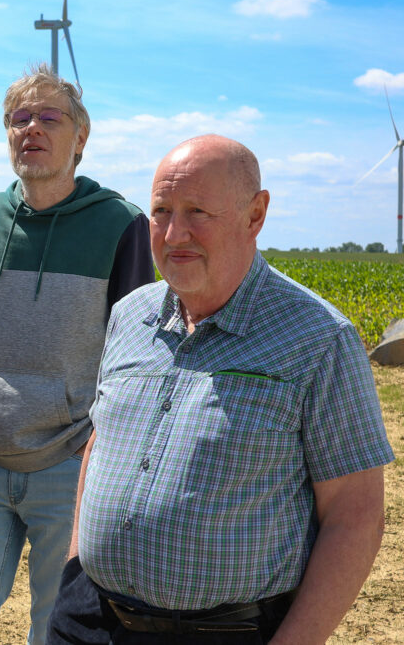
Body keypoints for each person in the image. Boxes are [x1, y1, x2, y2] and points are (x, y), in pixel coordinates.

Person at [48, 134, 396, 644]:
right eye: (161, 211)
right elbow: (102, 444)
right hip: (89, 618)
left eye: (197, 212)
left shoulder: (318, 339)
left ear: (255, 215)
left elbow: (355, 514)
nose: (173, 233)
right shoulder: (129, 316)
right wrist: (76, 563)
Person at [0, 63, 154, 645]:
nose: (32, 128)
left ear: (80, 138)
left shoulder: (122, 224)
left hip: (69, 463)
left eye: (49, 117)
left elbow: (139, 351)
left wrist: (99, 444)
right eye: (19, 118)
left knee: (56, 630)